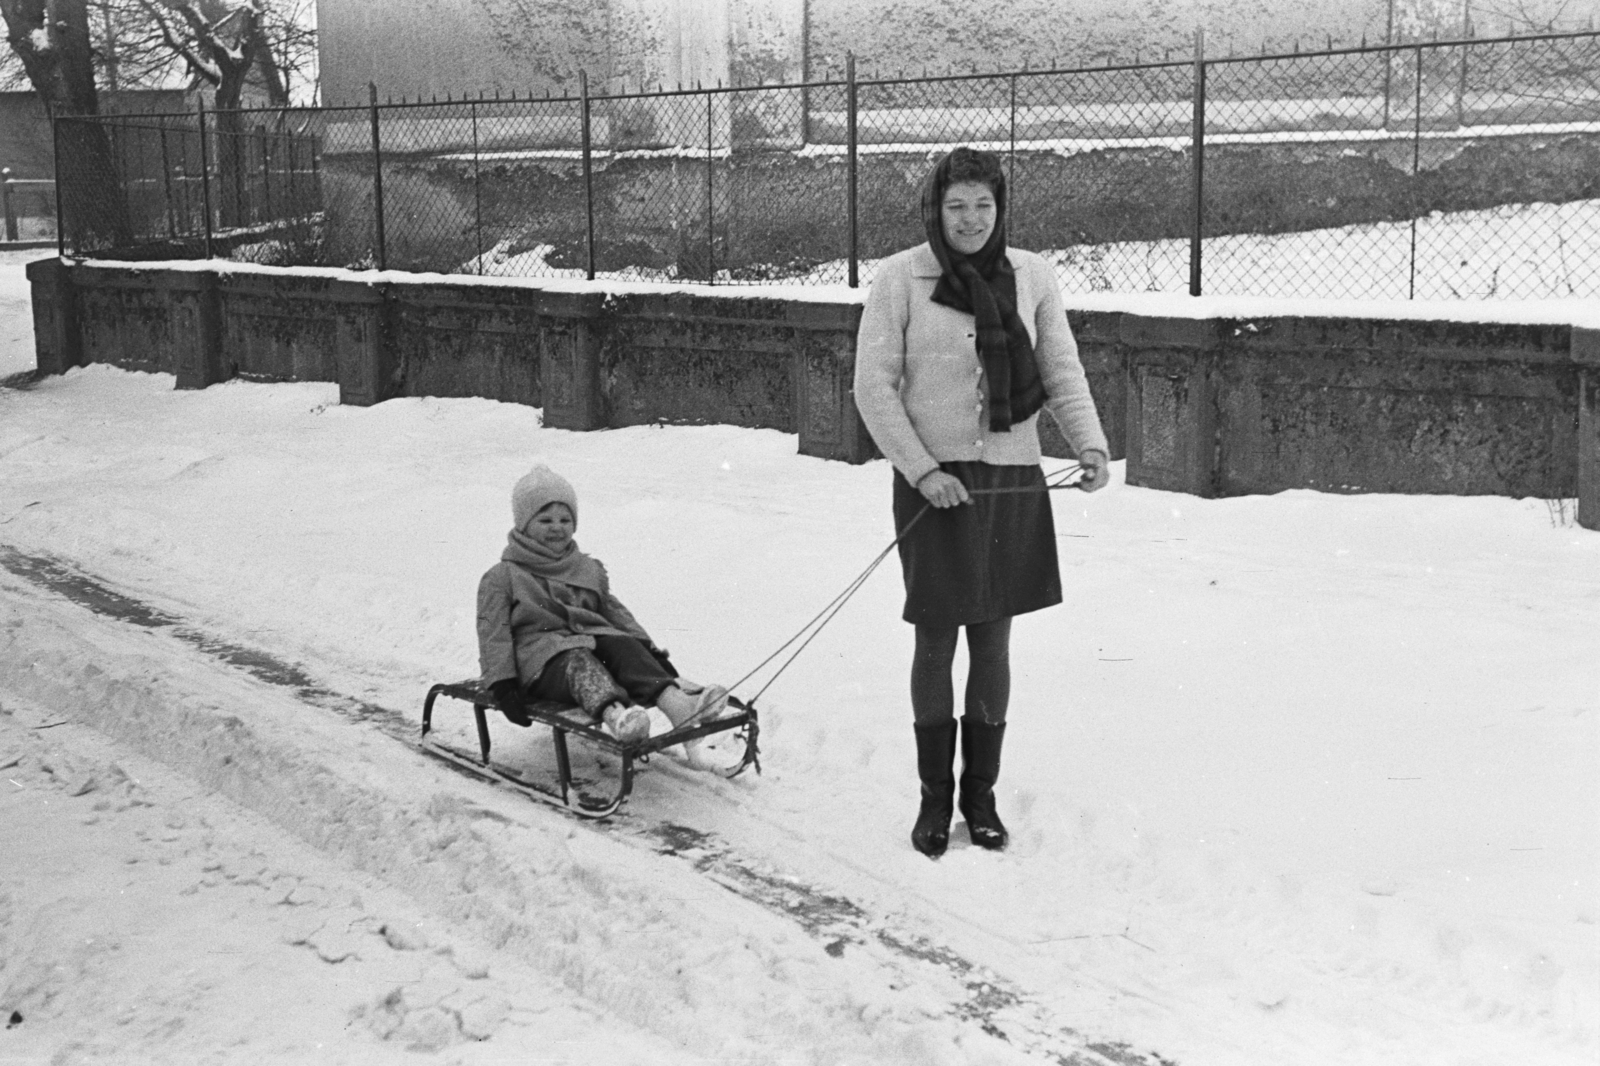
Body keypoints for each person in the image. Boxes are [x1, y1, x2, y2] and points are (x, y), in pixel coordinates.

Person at [853, 146, 1111, 858]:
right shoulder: (900, 278)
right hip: (934, 485)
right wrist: (921, 470)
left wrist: (1089, 445)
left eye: (983, 205)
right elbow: (873, 387)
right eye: (955, 205)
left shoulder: (1032, 275)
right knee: (936, 637)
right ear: (935, 209)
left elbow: (1061, 369)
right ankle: (934, 803)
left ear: (1000, 209)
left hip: (1008, 476)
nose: (969, 220)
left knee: (993, 637)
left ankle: (981, 799)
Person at [476, 464, 730, 764]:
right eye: (544, 520)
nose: (556, 527)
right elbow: (494, 634)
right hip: (540, 664)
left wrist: (645, 648)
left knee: (620, 643)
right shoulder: (504, 576)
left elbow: (614, 613)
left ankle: (678, 706)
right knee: (578, 660)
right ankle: (618, 718)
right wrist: (503, 684)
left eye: (565, 519)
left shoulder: (587, 568)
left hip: (589, 645)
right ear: (523, 524)